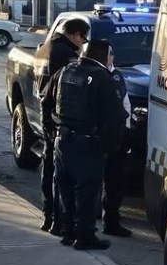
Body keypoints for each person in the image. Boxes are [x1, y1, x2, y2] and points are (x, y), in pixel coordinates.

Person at [47, 38, 125, 249]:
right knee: (87, 193)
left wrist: (51, 131)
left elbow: (47, 101)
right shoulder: (102, 78)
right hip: (87, 144)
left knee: (66, 191)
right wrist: (108, 147)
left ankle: (67, 233)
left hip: (62, 141)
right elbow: (116, 117)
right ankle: (84, 237)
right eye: (110, 56)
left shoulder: (65, 71)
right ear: (105, 56)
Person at [35, 17, 90, 234]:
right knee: (61, 174)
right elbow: (67, 88)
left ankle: (47, 215)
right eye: (83, 39)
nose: (83, 43)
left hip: (44, 110)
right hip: (58, 116)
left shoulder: (44, 48)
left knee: (48, 168)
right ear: (75, 35)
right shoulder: (66, 55)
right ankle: (59, 221)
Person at [101, 69, 133, 237]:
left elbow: (125, 105)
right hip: (96, 137)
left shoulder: (116, 76)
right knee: (89, 184)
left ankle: (110, 221)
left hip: (115, 138)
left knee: (114, 182)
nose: (111, 58)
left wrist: (125, 132)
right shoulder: (95, 75)